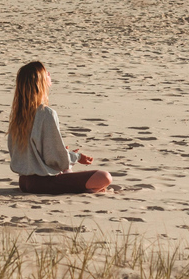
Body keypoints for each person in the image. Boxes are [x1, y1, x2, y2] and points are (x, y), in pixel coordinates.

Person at [7, 61, 112, 194]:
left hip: (24, 182)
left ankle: (84, 188)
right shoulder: (46, 113)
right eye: (47, 74)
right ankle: (87, 189)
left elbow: (21, 154)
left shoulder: (18, 116)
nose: (50, 75)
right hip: (43, 182)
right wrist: (76, 157)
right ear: (40, 82)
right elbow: (56, 159)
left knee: (68, 169)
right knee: (104, 177)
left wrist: (65, 153)